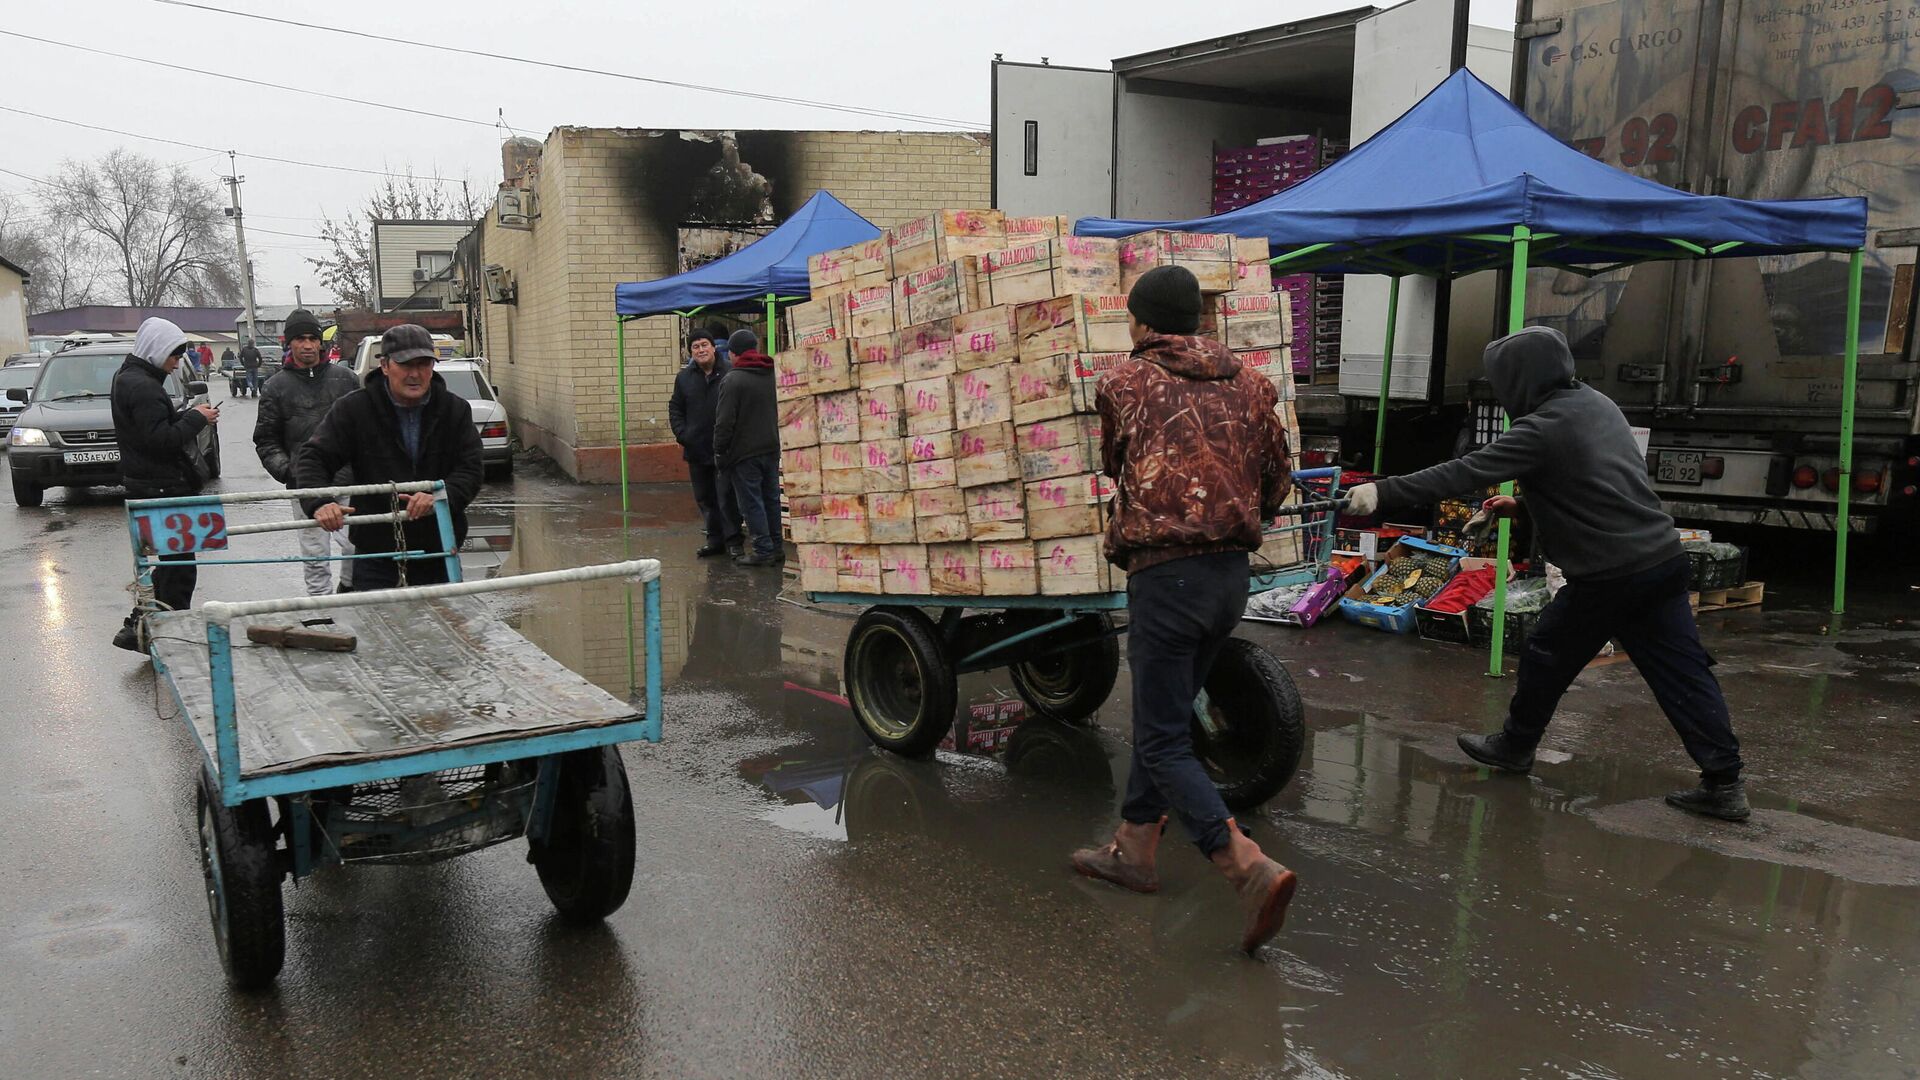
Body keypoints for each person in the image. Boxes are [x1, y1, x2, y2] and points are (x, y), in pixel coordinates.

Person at [1345, 326, 1750, 821]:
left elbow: (1466, 470)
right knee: (1682, 673)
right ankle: (1725, 783)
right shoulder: (1596, 403)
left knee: (1546, 655)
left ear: (1522, 379)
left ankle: (1515, 746)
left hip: (1609, 574)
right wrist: (1524, 504)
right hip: (1660, 561)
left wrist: (1380, 493)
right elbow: (1592, 478)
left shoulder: (1542, 427)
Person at [1071, 266, 1298, 954]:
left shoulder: (1125, 382)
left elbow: (1119, 463)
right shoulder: (1254, 383)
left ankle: (1245, 866)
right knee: (1164, 716)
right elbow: (1278, 477)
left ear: (1140, 323)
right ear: (1198, 320)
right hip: (1230, 576)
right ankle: (1135, 849)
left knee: (1164, 738)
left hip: (1166, 576)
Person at [293, 324, 483, 591]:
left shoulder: (455, 410)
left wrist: (441, 496)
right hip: (376, 551)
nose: (415, 374)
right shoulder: (355, 409)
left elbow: (470, 468)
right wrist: (319, 502)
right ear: (385, 365)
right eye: (405, 365)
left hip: (437, 547)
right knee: (374, 627)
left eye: (424, 364)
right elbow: (314, 457)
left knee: (442, 627)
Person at [110, 317, 220, 652]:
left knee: (171, 565)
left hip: (153, 483)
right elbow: (160, 440)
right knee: (179, 568)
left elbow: (151, 429)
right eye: (174, 356)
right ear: (157, 350)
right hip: (162, 487)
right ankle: (168, 634)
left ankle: (140, 625)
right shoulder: (143, 387)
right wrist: (196, 418)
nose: (175, 365)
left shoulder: (132, 379)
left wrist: (183, 415)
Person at [255, 308, 360, 595]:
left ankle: (349, 593)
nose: (307, 345)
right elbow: (266, 440)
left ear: (320, 342)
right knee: (315, 556)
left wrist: (360, 469)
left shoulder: (346, 380)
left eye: (312, 338)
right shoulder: (275, 387)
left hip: (348, 481)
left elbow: (363, 431)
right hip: (305, 488)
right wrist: (292, 472)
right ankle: (320, 611)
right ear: (289, 343)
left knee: (357, 547)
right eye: (300, 338)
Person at [668, 329, 744, 558]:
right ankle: (714, 540)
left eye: (704, 345)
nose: (700, 350)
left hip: (726, 450)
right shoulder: (684, 378)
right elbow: (675, 408)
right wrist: (684, 435)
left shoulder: (730, 373)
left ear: (713, 347)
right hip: (697, 449)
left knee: (727, 497)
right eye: (695, 347)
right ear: (691, 352)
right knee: (706, 498)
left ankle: (734, 542)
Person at [711, 329, 781, 566]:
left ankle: (763, 549)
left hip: (744, 454)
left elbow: (724, 422)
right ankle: (776, 547)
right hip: (771, 447)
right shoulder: (772, 373)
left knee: (752, 502)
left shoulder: (733, 379)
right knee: (771, 498)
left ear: (734, 353)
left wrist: (720, 452)